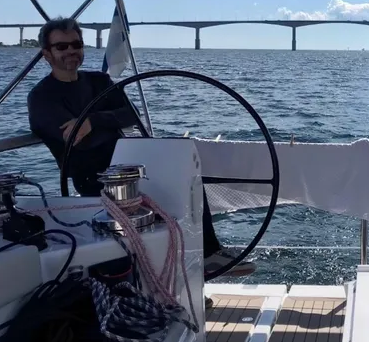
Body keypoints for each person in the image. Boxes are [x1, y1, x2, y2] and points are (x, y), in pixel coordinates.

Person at [27, 17, 255, 281]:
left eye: (76, 44)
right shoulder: (42, 97)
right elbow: (80, 142)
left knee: (184, 172)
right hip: (94, 179)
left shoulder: (99, 81)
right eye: (61, 46)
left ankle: (206, 257)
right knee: (164, 192)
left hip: (130, 166)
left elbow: (130, 115)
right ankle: (179, 277)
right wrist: (102, 124)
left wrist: (94, 120)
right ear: (47, 54)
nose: (71, 51)